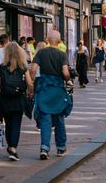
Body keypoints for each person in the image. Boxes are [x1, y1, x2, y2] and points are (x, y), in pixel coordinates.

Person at [29, 30, 72, 160]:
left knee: (45, 119)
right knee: (59, 118)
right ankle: (61, 147)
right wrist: (68, 79)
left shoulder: (41, 52)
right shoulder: (62, 54)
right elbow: (65, 72)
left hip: (44, 88)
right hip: (57, 89)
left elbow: (33, 69)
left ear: (47, 39)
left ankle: (44, 148)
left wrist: (31, 85)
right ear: (59, 41)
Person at [0, 42, 33, 161]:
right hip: (18, 99)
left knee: (8, 124)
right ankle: (13, 148)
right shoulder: (23, 66)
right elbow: (30, 83)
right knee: (16, 124)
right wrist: (30, 93)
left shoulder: (1, 67)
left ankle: (10, 145)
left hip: (4, 99)